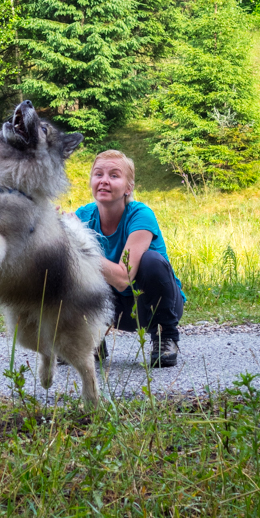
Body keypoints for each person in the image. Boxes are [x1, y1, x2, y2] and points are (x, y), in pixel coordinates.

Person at [75, 150, 185, 367]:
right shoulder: (83, 216)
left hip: (149, 305)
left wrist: (78, 246)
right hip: (112, 309)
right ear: (91, 181)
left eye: (114, 175)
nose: (104, 181)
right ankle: (91, 338)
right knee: (66, 265)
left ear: (128, 187)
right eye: (98, 174)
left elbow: (123, 278)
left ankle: (165, 337)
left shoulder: (140, 215)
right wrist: (57, 231)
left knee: (151, 261)